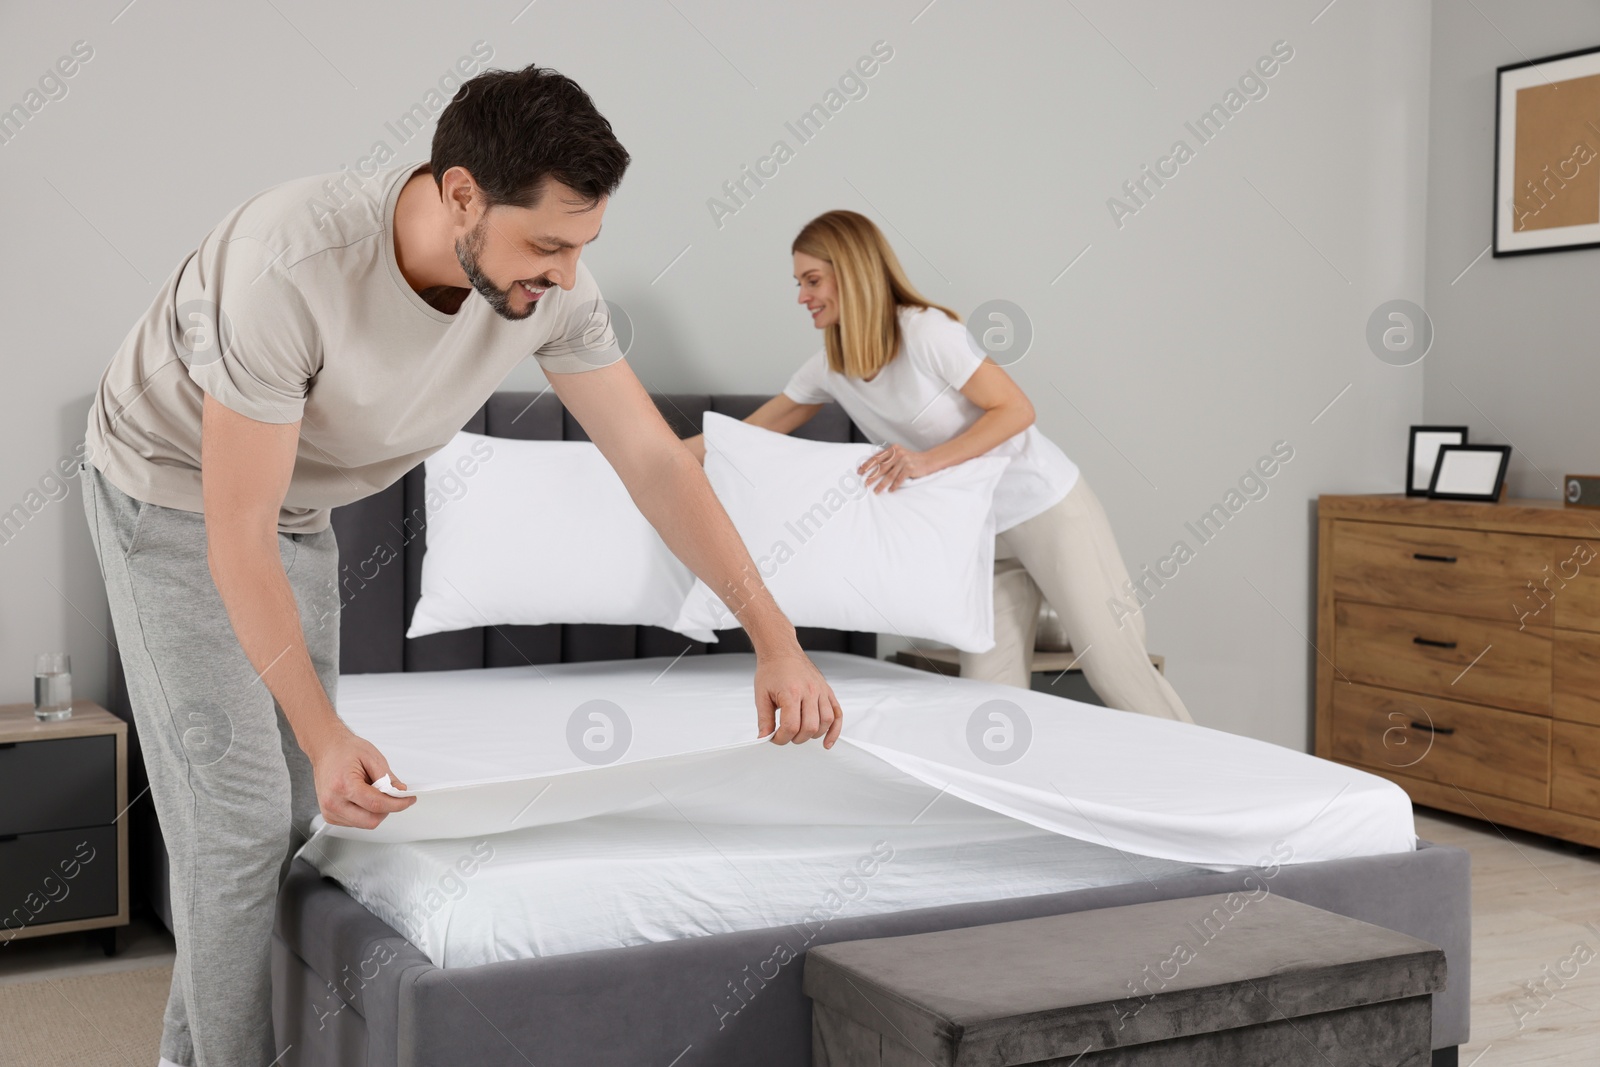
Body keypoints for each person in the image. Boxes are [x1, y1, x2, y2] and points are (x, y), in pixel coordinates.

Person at [80, 65, 841, 1067]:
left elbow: (655, 462)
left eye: (583, 246)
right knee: (237, 826)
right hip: (168, 493)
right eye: (547, 245)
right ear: (460, 196)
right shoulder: (289, 265)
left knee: (299, 816)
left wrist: (776, 642)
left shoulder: (552, 291)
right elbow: (235, 530)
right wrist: (323, 728)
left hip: (301, 505)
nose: (565, 273)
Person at [689, 210, 1192, 724]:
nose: (802, 296)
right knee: (989, 695)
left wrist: (924, 463)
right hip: (981, 536)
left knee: (1114, 668)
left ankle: (1210, 781)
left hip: (1046, 510)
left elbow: (1016, 410)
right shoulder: (831, 367)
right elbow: (745, 434)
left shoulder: (928, 334)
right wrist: (641, 460)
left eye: (813, 280)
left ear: (854, 272)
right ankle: (997, 802)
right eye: (799, 283)